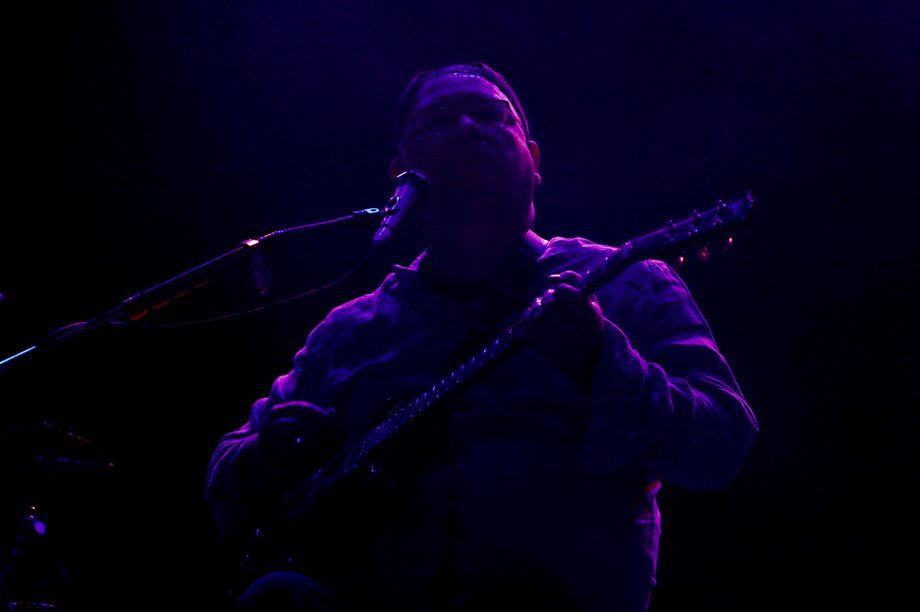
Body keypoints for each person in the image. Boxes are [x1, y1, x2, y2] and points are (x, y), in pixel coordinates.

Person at [206, 62, 759, 611]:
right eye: (439, 120)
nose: (467, 127)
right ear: (400, 178)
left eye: (491, 115)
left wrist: (599, 362)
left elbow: (723, 443)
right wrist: (266, 458)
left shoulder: (627, 284)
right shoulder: (349, 331)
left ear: (533, 162)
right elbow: (226, 473)